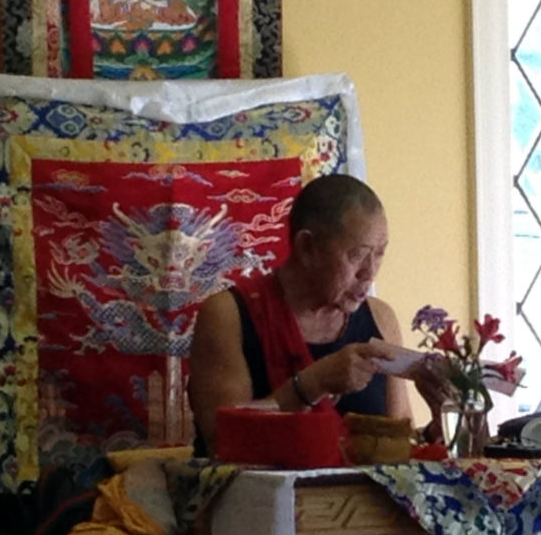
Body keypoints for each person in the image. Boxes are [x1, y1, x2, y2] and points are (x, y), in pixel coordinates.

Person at [188, 174, 446, 455]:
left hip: (364, 498)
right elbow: (223, 442)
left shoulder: (381, 318)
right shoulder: (229, 315)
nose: (370, 273)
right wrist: (312, 385)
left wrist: (440, 421)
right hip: (263, 497)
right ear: (307, 247)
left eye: (380, 254)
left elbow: (397, 444)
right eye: (357, 255)